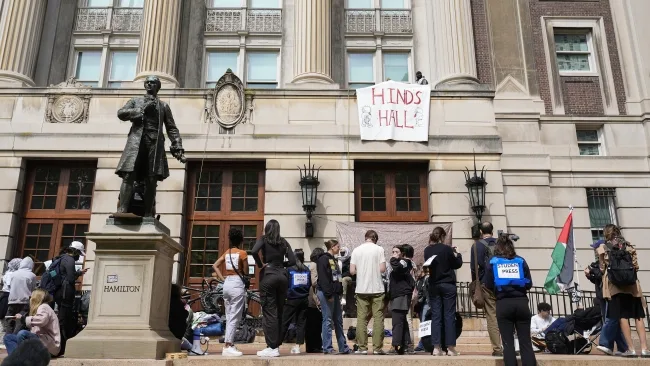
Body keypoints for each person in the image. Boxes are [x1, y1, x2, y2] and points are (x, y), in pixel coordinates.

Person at [115, 75, 185, 217]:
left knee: (151, 179)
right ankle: (122, 210)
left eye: (153, 83)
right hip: (136, 142)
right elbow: (121, 113)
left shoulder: (163, 106)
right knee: (129, 174)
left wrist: (177, 145)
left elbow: (171, 128)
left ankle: (148, 213)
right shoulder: (136, 101)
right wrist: (141, 111)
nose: (149, 85)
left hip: (154, 143)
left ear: (158, 87)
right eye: (147, 82)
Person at [597, 224, 648, 357]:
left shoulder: (604, 248)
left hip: (615, 287)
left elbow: (602, 269)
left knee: (623, 316)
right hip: (632, 287)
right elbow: (636, 266)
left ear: (606, 234)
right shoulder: (628, 246)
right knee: (638, 317)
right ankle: (644, 348)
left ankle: (630, 349)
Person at [484, 234, 535, 366]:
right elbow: (529, 283)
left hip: (503, 303)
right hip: (521, 302)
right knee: (525, 342)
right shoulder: (521, 261)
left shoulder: (493, 262)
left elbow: (488, 284)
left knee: (508, 343)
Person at [251, 219, 296, 358]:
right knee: (280, 312)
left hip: (269, 275)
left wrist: (260, 265)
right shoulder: (284, 242)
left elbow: (253, 251)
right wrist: (281, 264)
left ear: (267, 228)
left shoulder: (264, 239)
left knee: (270, 313)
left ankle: (272, 347)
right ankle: (276, 345)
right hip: (282, 277)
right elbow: (293, 261)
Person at [425, 226, 463, 356]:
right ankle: (450, 348)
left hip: (434, 285)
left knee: (436, 316)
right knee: (449, 315)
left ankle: (436, 347)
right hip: (447, 284)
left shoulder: (427, 250)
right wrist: (458, 254)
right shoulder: (447, 249)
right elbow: (456, 264)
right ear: (442, 236)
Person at [587, 240, 628, 356]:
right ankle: (622, 347)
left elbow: (603, 274)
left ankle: (606, 344)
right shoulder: (597, 262)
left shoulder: (607, 259)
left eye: (595, 248)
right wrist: (590, 276)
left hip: (608, 294)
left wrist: (592, 273)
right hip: (602, 294)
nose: (595, 250)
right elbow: (598, 278)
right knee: (611, 321)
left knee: (610, 319)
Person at [212, 227, 248, 357]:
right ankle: (227, 345)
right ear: (241, 240)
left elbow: (215, 265)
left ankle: (229, 344)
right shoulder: (243, 253)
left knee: (229, 316)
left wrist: (222, 279)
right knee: (235, 316)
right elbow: (246, 271)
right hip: (237, 284)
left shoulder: (227, 253)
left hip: (226, 284)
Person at [350, 230, 387, 355]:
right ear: (375, 238)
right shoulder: (379, 250)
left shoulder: (356, 250)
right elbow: (382, 269)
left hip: (361, 289)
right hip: (377, 288)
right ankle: (377, 348)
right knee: (378, 318)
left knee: (361, 319)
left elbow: (352, 271)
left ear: (365, 238)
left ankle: (362, 348)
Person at [470, 222, 502, 356]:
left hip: (486, 284)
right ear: (492, 231)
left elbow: (473, 267)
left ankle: (497, 349)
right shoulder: (501, 243)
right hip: (503, 282)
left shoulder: (476, 245)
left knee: (492, 316)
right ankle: (510, 345)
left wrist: (475, 283)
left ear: (481, 232)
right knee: (505, 315)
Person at [52, 241, 87, 356]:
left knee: (61, 318)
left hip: (58, 292)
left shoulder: (61, 257)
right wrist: (78, 274)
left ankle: (59, 345)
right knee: (64, 320)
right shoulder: (70, 260)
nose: (78, 257)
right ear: (75, 251)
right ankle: (61, 346)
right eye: (79, 254)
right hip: (65, 293)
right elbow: (71, 278)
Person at [317, 240, 351, 355]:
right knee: (327, 320)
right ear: (332, 247)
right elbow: (323, 278)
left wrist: (339, 290)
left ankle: (343, 346)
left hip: (335, 293)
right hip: (327, 293)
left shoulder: (334, 260)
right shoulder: (323, 259)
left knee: (338, 320)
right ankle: (327, 347)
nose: (339, 249)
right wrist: (328, 294)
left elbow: (337, 276)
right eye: (337, 246)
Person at [3, 289, 60, 357]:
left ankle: (24, 358)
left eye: (31, 297)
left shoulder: (44, 307)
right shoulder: (42, 307)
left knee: (22, 333)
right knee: (8, 337)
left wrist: (23, 319)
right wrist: (22, 319)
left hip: (49, 345)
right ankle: (15, 358)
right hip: (43, 341)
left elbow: (42, 320)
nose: (30, 299)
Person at [281, 248, 311, 354]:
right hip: (303, 299)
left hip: (291, 299)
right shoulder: (307, 269)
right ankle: (298, 346)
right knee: (301, 323)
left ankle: (276, 344)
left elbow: (285, 284)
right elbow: (309, 285)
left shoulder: (289, 269)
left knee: (284, 321)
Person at [388, 245, 415, 355]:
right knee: (402, 321)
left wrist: (393, 259)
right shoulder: (402, 263)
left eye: (397, 251)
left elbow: (397, 267)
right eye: (393, 251)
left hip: (401, 295)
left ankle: (397, 345)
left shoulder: (404, 262)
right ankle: (406, 345)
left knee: (397, 321)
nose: (394, 253)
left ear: (402, 253)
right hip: (397, 295)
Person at [7, 257, 35, 334]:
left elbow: (10, 286)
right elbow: (33, 289)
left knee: (10, 321)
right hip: (24, 301)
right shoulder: (32, 275)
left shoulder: (13, 274)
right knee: (20, 322)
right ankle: (15, 339)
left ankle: (7, 338)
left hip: (12, 301)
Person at [305, 248, 324, 353]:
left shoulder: (310, 265)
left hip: (310, 296)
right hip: (313, 297)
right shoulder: (315, 266)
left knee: (312, 323)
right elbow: (314, 282)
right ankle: (314, 346)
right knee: (315, 323)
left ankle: (313, 345)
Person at [0, 259, 21, 334]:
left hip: (8, 295)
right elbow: (10, 285)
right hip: (8, 295)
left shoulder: (9, 273)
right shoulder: (10, 274)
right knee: (6, 315)